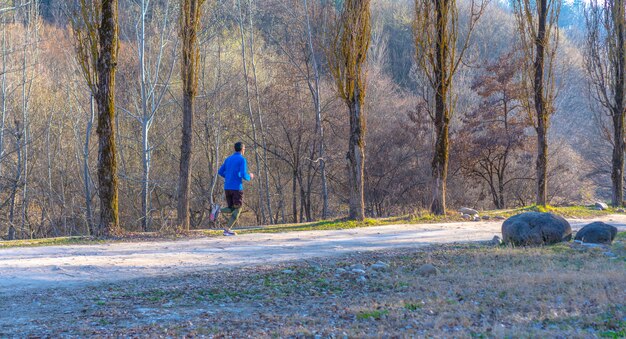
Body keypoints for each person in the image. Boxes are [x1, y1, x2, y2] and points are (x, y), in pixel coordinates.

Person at [214, 142, 254, 236]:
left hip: (227, 187)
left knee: (231, 208)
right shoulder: (242, 159)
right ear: (242, 149)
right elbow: (244, 175)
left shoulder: (228, 159)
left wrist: (228, 177)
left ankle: (218, 210)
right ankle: (227, 229)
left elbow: (220, 172)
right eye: (244, 149)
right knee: (238, 209)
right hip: (236, 188)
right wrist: (250, 177)